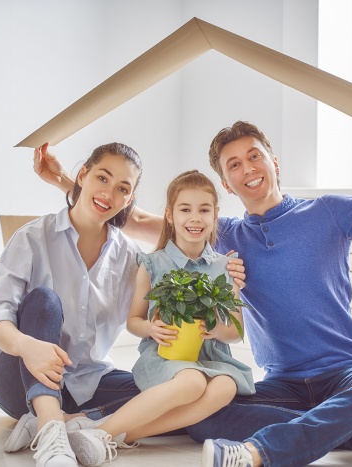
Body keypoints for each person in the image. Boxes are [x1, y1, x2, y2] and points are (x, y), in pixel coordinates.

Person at [35, 99, 352, 466]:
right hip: (281, 384)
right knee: (204, 410)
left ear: (274, 162)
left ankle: (261, 452)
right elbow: (137, 219)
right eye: (234, 165)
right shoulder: (221, 233)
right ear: (226, 185)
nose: (247, 168)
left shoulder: (330, 212)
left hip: (345, 373)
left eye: (254, 157)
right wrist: (63, 182)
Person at [0, 143, 247, 467]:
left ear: (129, 199)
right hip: (19, 377)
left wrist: (225, 275)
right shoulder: (33, 237)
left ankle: (80, 425)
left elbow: (169, 259)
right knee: (44, 300)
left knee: (165, 394)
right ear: (82, 175)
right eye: (102, 178)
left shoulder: (129, 258)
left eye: (122, 188)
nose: (109, 193)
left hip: (87, 383)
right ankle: (52, 434)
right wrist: (26, 346)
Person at [66, 170, 255, 466]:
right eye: (185, 209)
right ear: (169, 215)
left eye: (204, 210)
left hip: (210, 358)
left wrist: (215, 328)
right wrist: (151, 328)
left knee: (226, 386)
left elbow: (236, 331)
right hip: (165, 358)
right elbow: (133, 321)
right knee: (193, 382)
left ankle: (114, 433)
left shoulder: (226, 266)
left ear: (215, 215)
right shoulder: (153, 264)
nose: (195, 218)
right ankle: (104, 434)